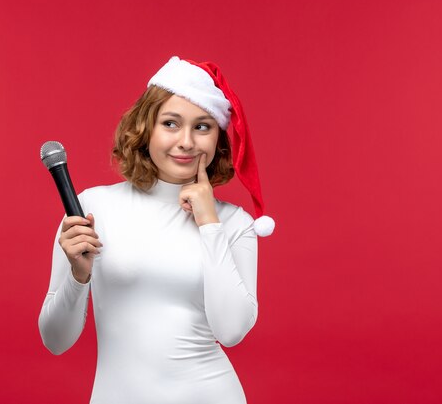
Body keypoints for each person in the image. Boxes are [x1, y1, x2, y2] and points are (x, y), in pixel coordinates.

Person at [38, 56, 274, 404]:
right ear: (146, 128)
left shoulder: (235, 223)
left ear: (218, 140)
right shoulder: (93, 208)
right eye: (170, 123)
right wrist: (78, 275)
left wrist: (210, 224)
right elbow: (55, 340)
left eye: (203, 127)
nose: (187, 141)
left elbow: (232, 330)